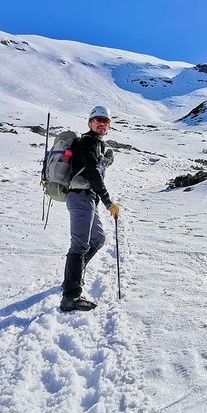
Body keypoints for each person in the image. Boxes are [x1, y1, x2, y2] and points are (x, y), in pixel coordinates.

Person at [60, 105, 122, 312]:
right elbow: (93, 175)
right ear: (89, 123)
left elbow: (93, 166)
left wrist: (105, 161)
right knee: (79, 245)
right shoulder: (88, 142)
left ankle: (73, 278)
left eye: (105, 121)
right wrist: (109, 202)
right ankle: (71, 296)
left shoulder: (94, 144)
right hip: (80, 197)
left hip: (87, 199)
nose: (102, 123)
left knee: (98, 239)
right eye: (98, 120)